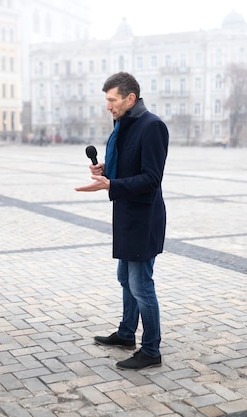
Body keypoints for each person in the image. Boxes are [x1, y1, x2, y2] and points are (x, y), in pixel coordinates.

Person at [75, 72, 168, 370]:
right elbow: (129, 166)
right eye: (107, 100)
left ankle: (151, 350)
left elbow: (151, 179)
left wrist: (111, 185)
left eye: (112, 100)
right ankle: (127, 333)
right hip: (126, 215)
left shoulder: (152, 126)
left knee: (141, 285)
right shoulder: (123, 124)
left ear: (130, 98)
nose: (108, 106)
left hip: (143, 218)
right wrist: (107, 170)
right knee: (124, 279)